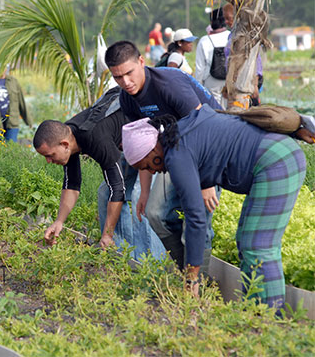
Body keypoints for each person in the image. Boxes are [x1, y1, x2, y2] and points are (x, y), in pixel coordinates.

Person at [121, 106, 306, 314]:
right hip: (277, 155)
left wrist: (192, 279)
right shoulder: (179, 136)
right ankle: (253, 314)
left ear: (152, 150)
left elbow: (196, 217)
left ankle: (270, 320)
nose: (152, 171)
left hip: (275, 161)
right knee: (246, 241)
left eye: (146, 165)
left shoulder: (176, 155)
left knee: (258, 246)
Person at [104, 40, 222, 270]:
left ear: (141, 61)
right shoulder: (127, 98)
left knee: (196, 219)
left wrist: (206, 181)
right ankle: (187, 277)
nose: (125, 82)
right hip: (176, 148)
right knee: (155, 214)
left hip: (210, 148)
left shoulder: (169, 85)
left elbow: (203, 129)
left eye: (129, 73)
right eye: (118, 77)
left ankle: (201, 284)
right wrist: (145, 191)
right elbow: (143, 146)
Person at [33, 87, 165, 259]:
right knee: (104, 193)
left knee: (141, 197)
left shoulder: (95, 138)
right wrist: (59, 222)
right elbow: (72, 185)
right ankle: (120, 256)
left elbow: (117, 189)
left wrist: (107, 233)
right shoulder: (69, 134)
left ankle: (152, 264)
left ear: (65, 144)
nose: (48, 161)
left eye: (50, 156)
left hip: (152, 143)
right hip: (126, 143)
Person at [222, 3, 264, 106]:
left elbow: (255, 61)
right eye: (225, 18)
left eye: (229, 18)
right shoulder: (232, 35)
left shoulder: (248, 35)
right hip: (235, 82)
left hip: (247, 82)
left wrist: (254, 85)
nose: (226, 21)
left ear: (237, 16)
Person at [0, 67, 31, 142]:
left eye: (4, 66)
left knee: (10, 147)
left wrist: (28, 121)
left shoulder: (13, 82)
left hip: (12, 121)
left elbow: (21, 102)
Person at [195, 8, 230, 107]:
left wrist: (198, 86)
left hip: (211, 79)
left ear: (211, 22)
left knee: (214, 109)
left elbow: (200, 68)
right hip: (229, 78)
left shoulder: (204, 40)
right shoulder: (231, 36)